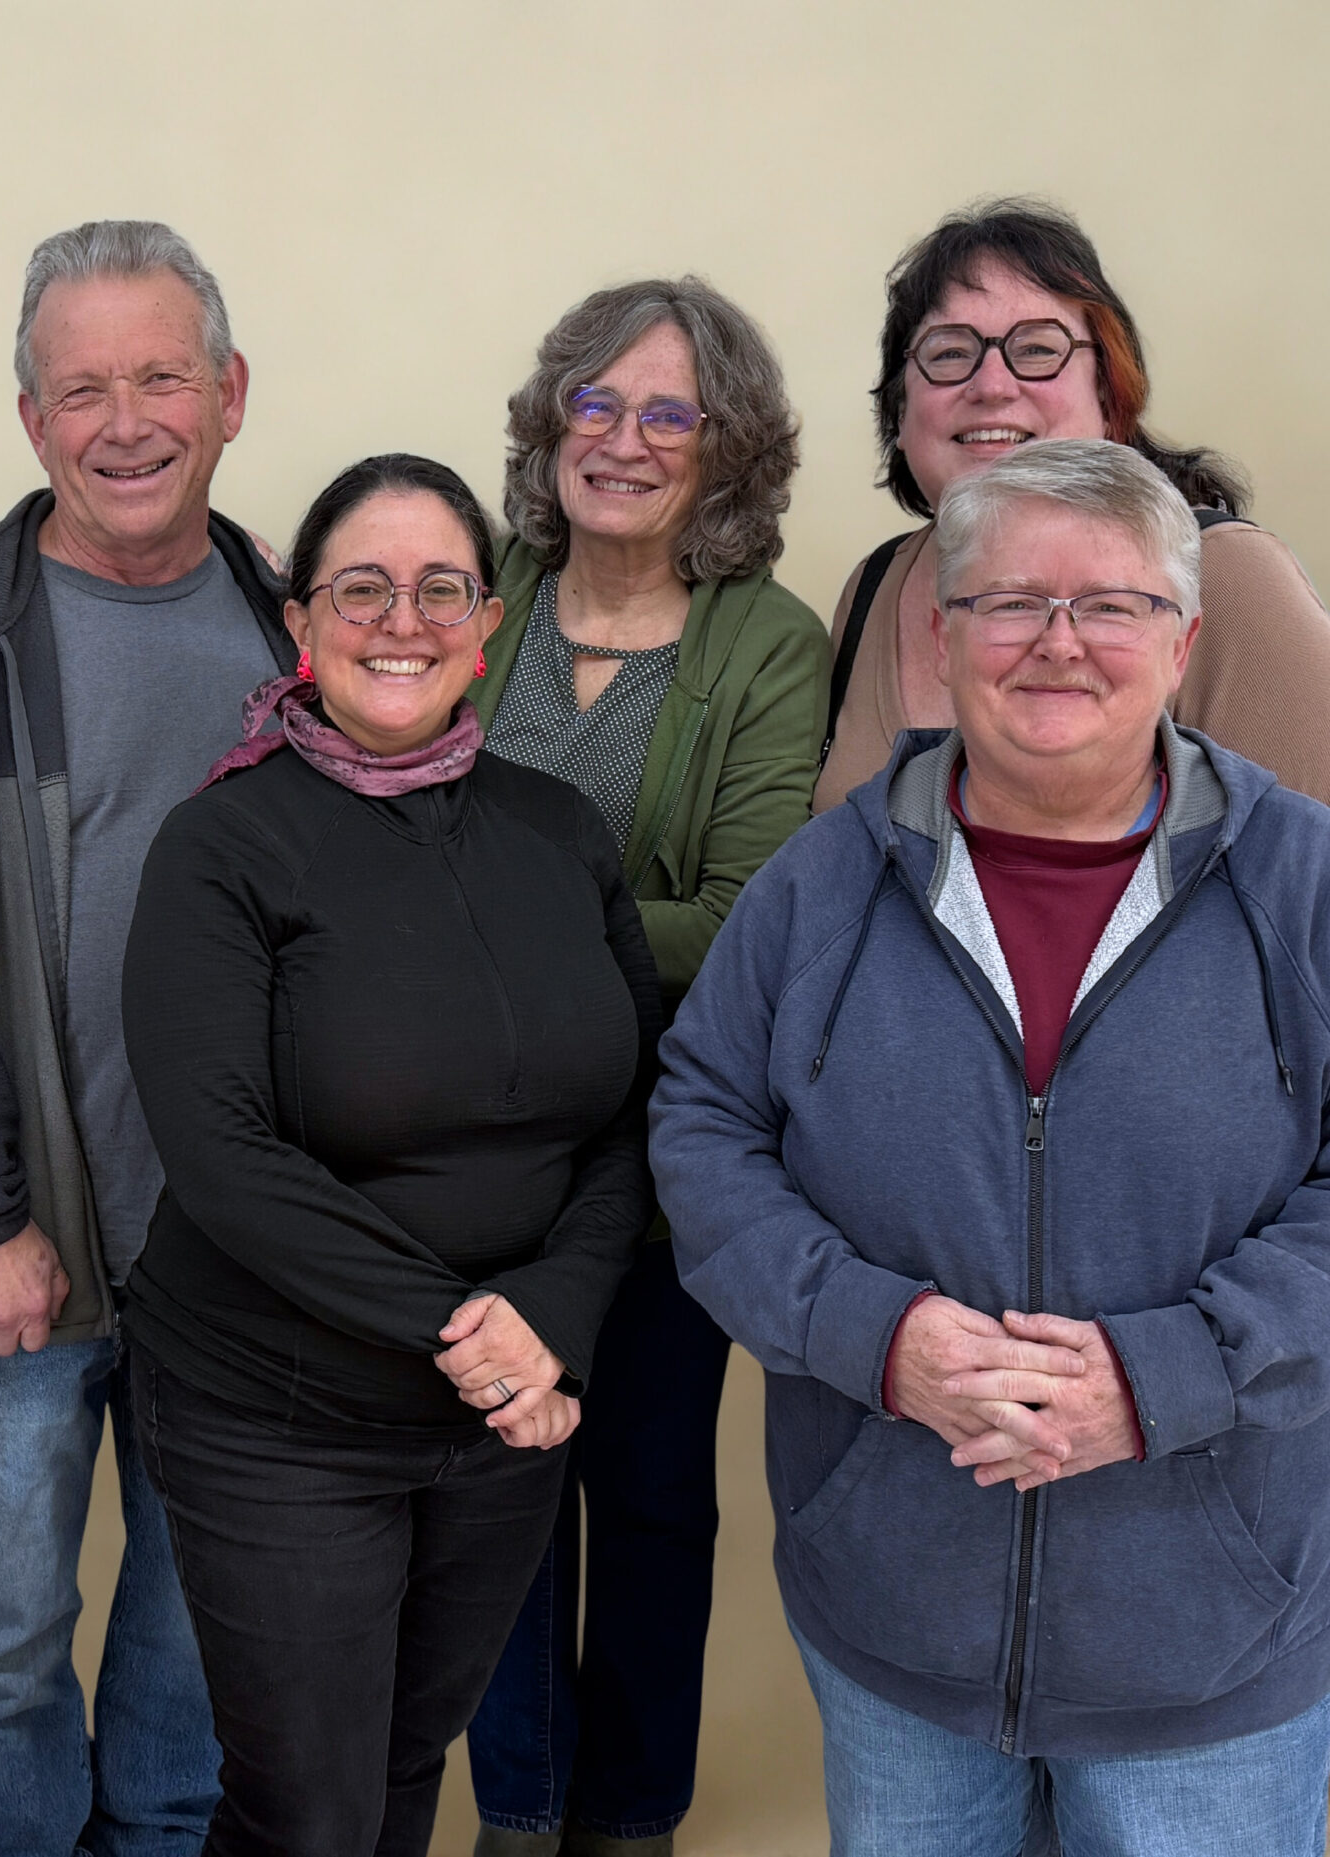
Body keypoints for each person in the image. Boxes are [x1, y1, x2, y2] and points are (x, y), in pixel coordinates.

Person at [655, 439, 1330, 1855]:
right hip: (897, 1632)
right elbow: (704, 1125)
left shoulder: (1307, 882)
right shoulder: (825, 880)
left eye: (1113, 605)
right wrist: (874, 1336)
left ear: (1185, 636)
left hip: (1212, 1654)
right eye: (1012, 602)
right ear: (942, 631)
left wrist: (1163, 1378)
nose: (1059, 644)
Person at [123, 453, 665, 1857]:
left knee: (404, 1773)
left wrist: (547, 1319)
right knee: (306, 1813)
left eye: (440, 588)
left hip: (502, 1424)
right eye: (361, 587)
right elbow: (220, 1151)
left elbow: (628, 1114)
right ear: (302, 625)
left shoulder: (560, 831)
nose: (402, 619)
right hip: (279, 1415)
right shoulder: (222, 845)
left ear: (490, 624)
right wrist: (470, 1332)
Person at [0, 219, 290, 1857]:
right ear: (30, 419)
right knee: (12, 1626)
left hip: (240, 1257)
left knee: (194, 1618)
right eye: (81, 386)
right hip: (19, 1245)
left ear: (230, 393)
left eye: (162, 374)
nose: (127, 419)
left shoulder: (298, 629)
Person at [460, 279, 827, 1857]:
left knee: (656, 1500)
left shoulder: (767, 643)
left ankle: (632, 1817)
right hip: (464, 1162)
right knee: (498, 1502)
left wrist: (475, 926)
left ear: (725, 447)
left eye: (665, 411)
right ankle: (518, 1807)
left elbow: (750, 919)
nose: (619, 439)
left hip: (676, 1162)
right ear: (548, 427)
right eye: (592, 404)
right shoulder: (475, 595)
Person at [815, 197, 1330, 812]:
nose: (992, 385)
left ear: (1111, 400)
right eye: (950, 352)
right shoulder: (873, 588)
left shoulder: (1226, 577)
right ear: (899, 412)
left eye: (1037, 349)